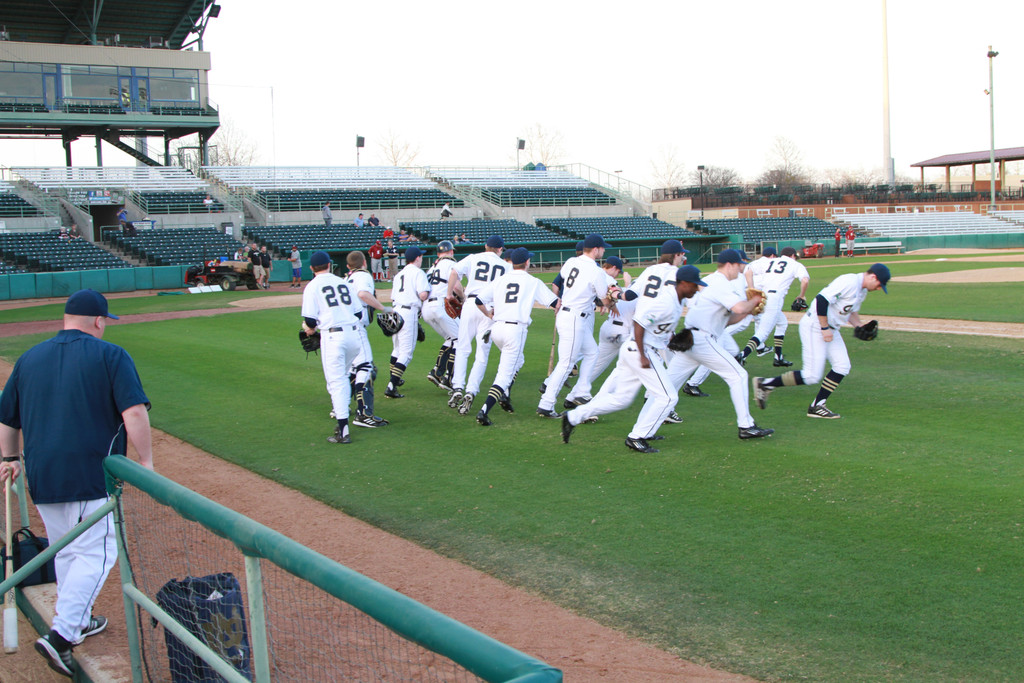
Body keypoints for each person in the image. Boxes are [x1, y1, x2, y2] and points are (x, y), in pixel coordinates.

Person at [0, 289, 153, 677]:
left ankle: (78, 621)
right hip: (90, 472)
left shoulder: (30, 357)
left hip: (42, 473)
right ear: (99, 321)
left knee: (67, 550)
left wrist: (8, 459)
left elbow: (7, 419)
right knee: (98, 553)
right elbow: (133, 411)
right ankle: (61, 636)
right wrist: (147, 462)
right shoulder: (111, 355)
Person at [562, 266, 705, 454]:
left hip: (637, 349)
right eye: (695, 285)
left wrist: (672, 340)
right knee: (668, 396)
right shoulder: (667, 301)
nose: (697, 288)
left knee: (622, 399)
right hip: (641, 350)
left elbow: (659, 328)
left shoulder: (678, 301)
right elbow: (639, 323)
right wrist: (642, 355)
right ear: (684, 284)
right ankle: (637, 437)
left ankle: (573, 417)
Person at [753, 263, 891, 420]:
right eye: (880, 284)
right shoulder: (849, 281)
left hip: (831, 329)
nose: (879, 288)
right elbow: (821, 300)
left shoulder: (862, 291)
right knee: (812, 375)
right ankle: (766, 384)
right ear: (873, 277)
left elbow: (850, 311)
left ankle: (817, 405)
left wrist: (859, 325)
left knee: (842, 366)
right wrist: (824, 328)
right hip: (815, 326)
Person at [666, 249, 774, 440]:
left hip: (690, 338)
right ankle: (746, 426)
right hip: (700, 340)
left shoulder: (714, 282)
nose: (741, 270)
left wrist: (749, 311)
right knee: (738, 375)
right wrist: (754, 302)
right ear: (729, 265)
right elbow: (740, 306)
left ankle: (641, 431)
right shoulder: (720, 283)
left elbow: (728, 319)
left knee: (666, 386)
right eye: (739, 265)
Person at [537, 233, 620, 418]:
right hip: (574, 317)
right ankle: (546, 404)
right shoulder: (596, 270)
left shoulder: (570, 262)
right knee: (566, 364)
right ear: (596, 249)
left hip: (570, 315)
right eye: (602, 248)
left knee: (592, 352)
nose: (604, 250)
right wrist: (613, 302)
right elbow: (604, 300)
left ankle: (582, 391)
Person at [473, 248, 559, 426]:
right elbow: (554, 302)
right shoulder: (532, 281)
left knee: (518, 361)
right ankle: (484, 411)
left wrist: (489, 314)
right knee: (504, 374)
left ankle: (505, 394)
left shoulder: (501, 279)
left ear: (512, 262)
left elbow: (478, 300)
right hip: (515, 331)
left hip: (497, 328)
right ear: (527, 262)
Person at [301, 251, 368, 444]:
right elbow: (357, 312)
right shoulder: (343, 282)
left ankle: (343, 430)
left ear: (312, 268)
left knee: (336, 382)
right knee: (343, 377)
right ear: (329, 265)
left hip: (333, 337)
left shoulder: (312, 286)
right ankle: (345, 412)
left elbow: (310, 321)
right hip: (354, 336)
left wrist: (309, 329)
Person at [446, 235, 508, 415]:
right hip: (489, 309)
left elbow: (453, 272)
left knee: (463, 347)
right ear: (500, 250)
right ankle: (471, 390)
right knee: (482, 352)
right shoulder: (505, 266)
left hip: (470, 304)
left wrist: (449, 294)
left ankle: (458, 386)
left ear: (486, 246)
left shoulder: (473, 257)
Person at [740, 246, 810, 367]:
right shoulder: (794, 264)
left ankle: (778, 357)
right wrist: (801, 296)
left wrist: (752, 289)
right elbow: (805, 280)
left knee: (782, 323)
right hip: (774, 299)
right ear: (793, 256)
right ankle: (741, 355)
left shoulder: (771, 261)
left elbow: (748, 271)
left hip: (763, 296)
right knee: (763, 332)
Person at [346, 250, 392, 427]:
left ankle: (340, 407)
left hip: (345, 328)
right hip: (356, 327)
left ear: (349, 266)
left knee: (353, 370)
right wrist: (382, 308)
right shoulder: (362, 276)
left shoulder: (347, 279)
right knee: (367, 368)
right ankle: (364, 414)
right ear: (364, 262)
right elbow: (363, 294)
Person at [385, 246, 430, 398]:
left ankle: (395, 380)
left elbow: (392, 297)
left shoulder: (399, 274)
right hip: (408, 312)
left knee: (397, 349)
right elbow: (423, 295)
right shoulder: (418, 272)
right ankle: (391, 386)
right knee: (406, 353)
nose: (421, 258)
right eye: (421, 256)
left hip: (395, 311)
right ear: (417, 258)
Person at [422, 240, 461, 391]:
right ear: (451, 252)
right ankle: (448, 379)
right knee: (459, 339)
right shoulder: (450, 264)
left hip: (426, 308)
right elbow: (456, 286)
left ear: (438, 253)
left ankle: (437, 372)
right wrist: (463, 298)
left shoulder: (432, 267)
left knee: (450, 338)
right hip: (440, 305)